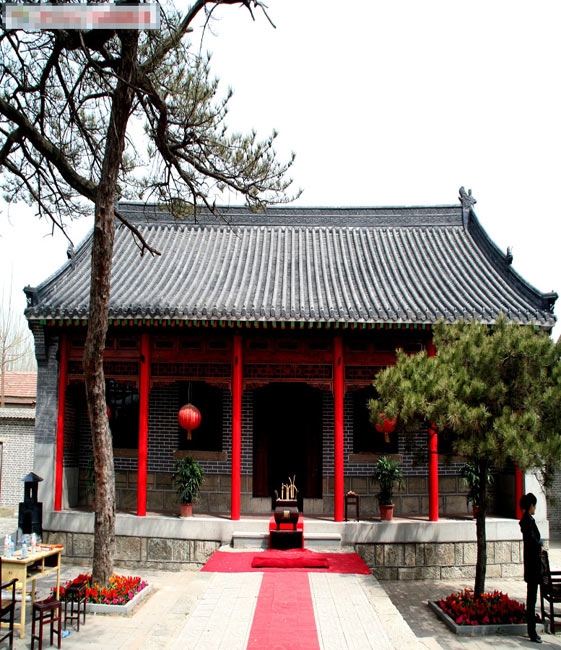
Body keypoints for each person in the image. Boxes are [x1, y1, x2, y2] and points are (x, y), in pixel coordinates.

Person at [520, 492, 544, 643]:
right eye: (534, 505)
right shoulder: (528, 523)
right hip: (533, 566)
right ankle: (532, 631)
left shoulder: (527, 521)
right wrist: (540, 545)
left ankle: (532, 630)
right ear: (531, 506)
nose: (535, 508)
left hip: (532, 565)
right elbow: (533, 541)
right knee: (531, 599)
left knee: (532, 598)